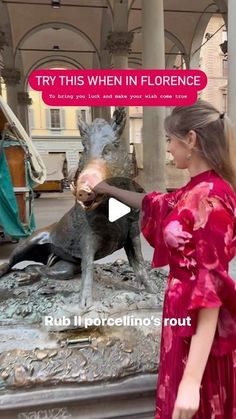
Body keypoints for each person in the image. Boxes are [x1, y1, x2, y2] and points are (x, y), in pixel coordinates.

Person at [77, 100, 236, 418]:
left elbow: (212, 290)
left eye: (170, 140)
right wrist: (104, 187)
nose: (168, 148)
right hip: (181, 314)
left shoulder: (213, 198)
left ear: (190, 140)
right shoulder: (192, 190)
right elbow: (152, 203)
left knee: (199, 406)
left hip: (199, 326)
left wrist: (191, 382)